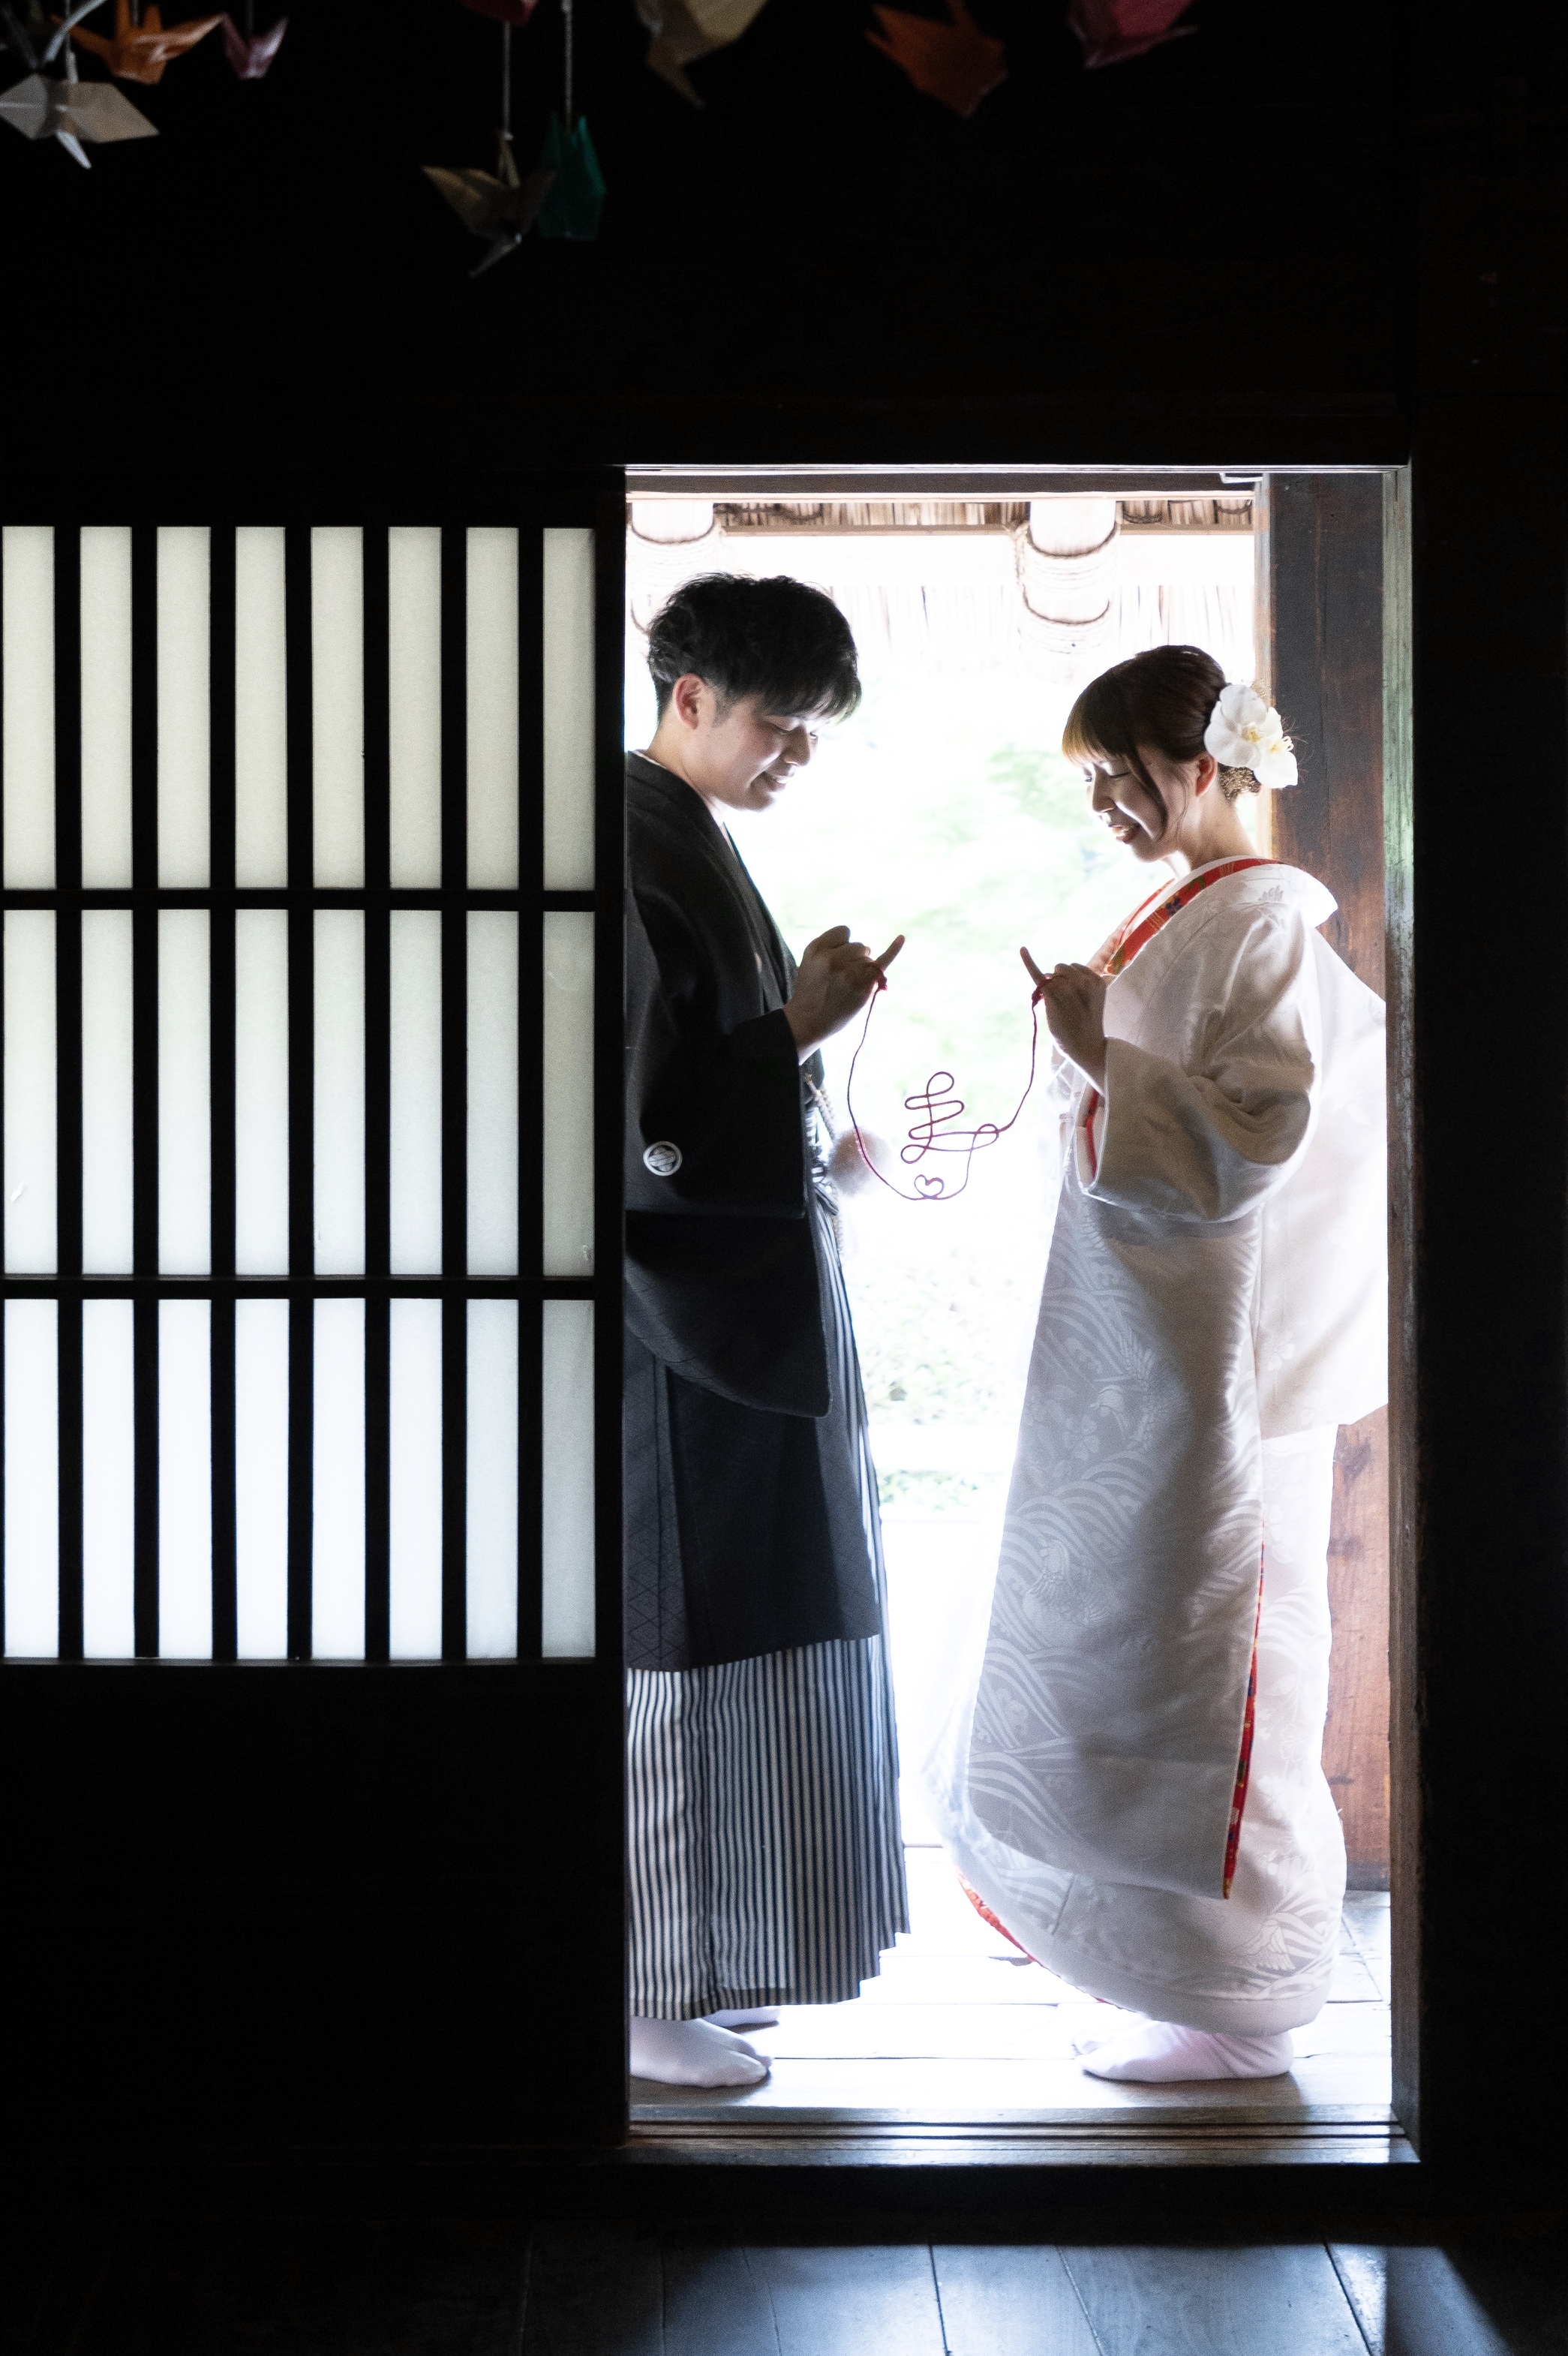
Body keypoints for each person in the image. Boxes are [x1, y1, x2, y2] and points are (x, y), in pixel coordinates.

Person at [924, 643, 1386, 2082]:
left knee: (1219, 1667)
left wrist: (1100, 1057)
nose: (1101, 808)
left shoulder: (1257, 922)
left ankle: (1236, 2003)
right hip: (1146, 1360)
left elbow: (1254, 1138)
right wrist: (1075, 1069)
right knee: (1135, 1653)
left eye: (1113, 778)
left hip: (1214, 1371)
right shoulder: (1196, 912)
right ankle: (1159, 1970)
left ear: (1194, 767)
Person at [623, 572, 909, 2089]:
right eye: (778, 726)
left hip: (736, 1296)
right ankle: (643, 1987)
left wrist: (813, 1131)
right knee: (678, 1635)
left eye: (811, 733)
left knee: (744, 1621)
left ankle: (712, 1958)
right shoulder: (623, 843)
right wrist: (793, 1031)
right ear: (688, 696)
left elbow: (709, 1088)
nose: (795, 756)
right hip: (672, 1329)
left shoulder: (684, 836)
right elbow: (643, 1136)